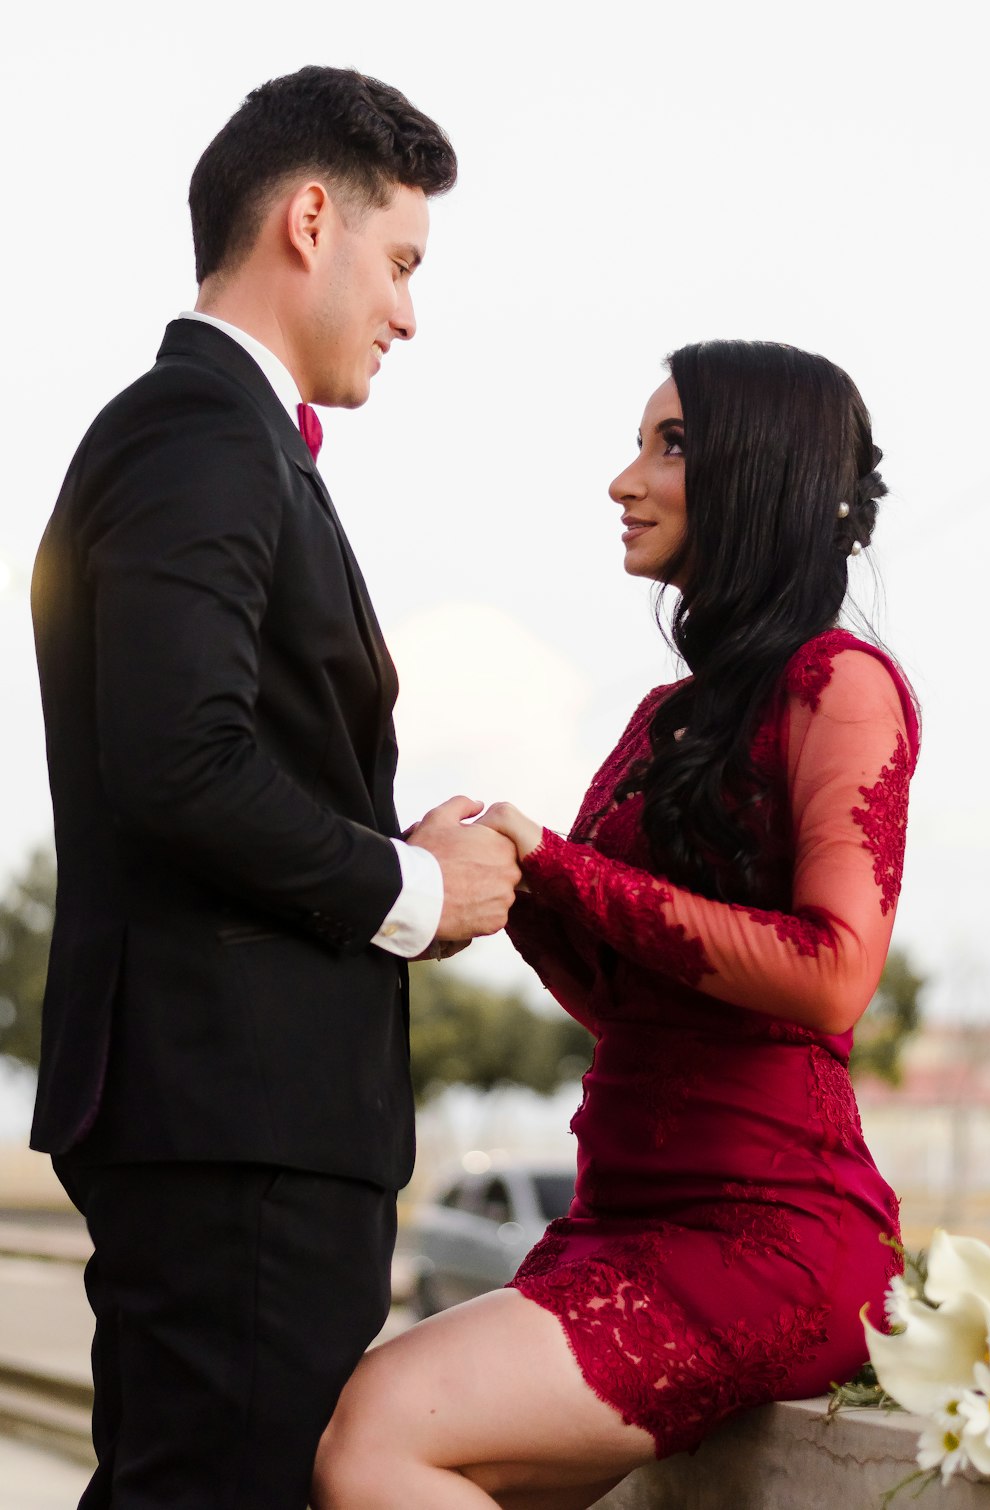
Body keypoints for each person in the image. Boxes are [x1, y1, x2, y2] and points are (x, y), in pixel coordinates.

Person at [313, 339, 919, 1510]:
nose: (623, 479)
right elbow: (620, 999)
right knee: (371, 1442)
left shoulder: (841, 683)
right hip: (621, 1218)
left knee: (369, 1439)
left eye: (671, 444)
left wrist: (558, 865)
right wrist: (510, 876)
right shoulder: (665, 715)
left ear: (763, 475)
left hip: (765, 1234)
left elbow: (834, 974)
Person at [30, 66, 519, 1509]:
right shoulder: (196, 432)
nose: (411, 313)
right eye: (404, 263)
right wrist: (415, 887)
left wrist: (393, 843)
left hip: (235, 1111)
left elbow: (217, 752)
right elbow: (180, 759)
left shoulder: (218, 440)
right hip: (231, 1114)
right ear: (313, 217)